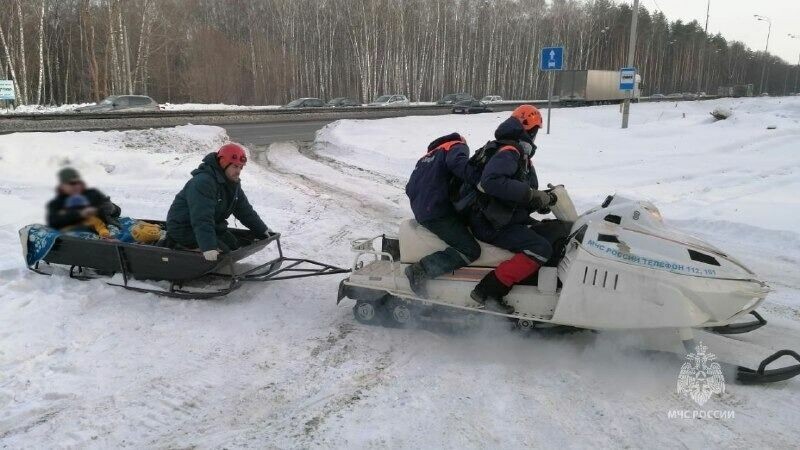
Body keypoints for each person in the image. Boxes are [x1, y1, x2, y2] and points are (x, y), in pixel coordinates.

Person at [468, 105, 558, 313]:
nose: (535, 135)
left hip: (503, 217)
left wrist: (540, 201)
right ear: (529, 130)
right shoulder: (510, 151)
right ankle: (488, 291)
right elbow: (491, 181)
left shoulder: (521, 154)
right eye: (535, 130)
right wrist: (531, 195)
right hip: (491, 223)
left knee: (554, 231)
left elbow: (517, 191)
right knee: (541, 248)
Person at [404, 132, 482, 297]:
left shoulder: (425, 158)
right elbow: (460, 166)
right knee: (470, 250)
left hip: (424, 211)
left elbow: (409, 188)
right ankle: (420, 269)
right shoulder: (456, 146)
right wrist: (482, 180)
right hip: (437, 212)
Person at [166, 143, 270, 261]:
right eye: (235, 166)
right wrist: (208, 247)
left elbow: (244, 210)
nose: (238, 171)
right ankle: (180, 247)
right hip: (184, 228)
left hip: (212, 227)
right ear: (223, 163)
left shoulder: (232, 182)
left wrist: (261, 230)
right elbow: (202, 218)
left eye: (241, 167)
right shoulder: (203, 182)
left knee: (234, 245)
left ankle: (203, 247)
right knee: (223, 252)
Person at [46, 167, 121, 230]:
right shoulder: (57, 202)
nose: (75, 186)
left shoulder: (93, 193)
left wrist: (112, 208)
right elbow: (53, 221)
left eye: (77, 182)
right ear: (62, 186)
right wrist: (79, 214)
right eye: (71, 183)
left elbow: (117, 212)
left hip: (100, 230)